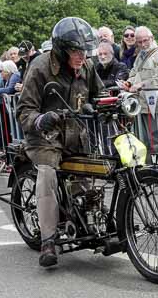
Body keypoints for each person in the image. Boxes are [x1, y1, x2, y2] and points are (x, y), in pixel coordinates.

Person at [16, 16, 102, 267]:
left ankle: (90, 220)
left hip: (76, 135)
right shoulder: (40, 67)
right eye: (76, 50)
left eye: (85, 50)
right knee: (47, 176)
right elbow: (24, 110)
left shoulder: (87, 66)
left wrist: (113, 103)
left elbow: (99, 94)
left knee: (93, 175)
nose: (81, 56)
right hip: (45, 138)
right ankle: (48, 240)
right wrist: (41, 119)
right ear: (62, 49)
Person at [122, 26, 158, 151]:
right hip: (141, 105)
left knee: (155, 140)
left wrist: (141, 84)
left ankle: (157, 168)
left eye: (145, 40)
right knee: (143, 140)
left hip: (155, 105)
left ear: (152, 38)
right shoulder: (140, 56)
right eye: (139, 42)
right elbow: (134, 73)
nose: (143, 44)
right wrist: (128, 83)